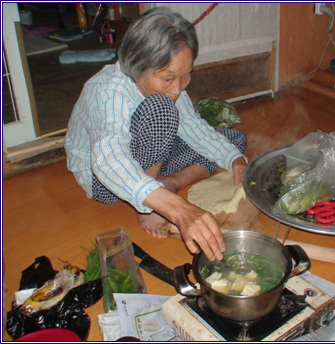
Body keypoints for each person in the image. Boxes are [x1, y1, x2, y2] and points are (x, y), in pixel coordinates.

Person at [64, 6, 248, 262]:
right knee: (162, 109)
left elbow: (193, 128)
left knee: (234, 142)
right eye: (169, 79)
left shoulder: (171, 86)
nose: (178, 89)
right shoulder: (107, 92)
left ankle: (167, 184)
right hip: (106, 180)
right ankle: (149, 202)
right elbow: (109, 158)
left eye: (186, 76)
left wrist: (232, 157)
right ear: (138, 66)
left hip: (152, 158)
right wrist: (178, 210)